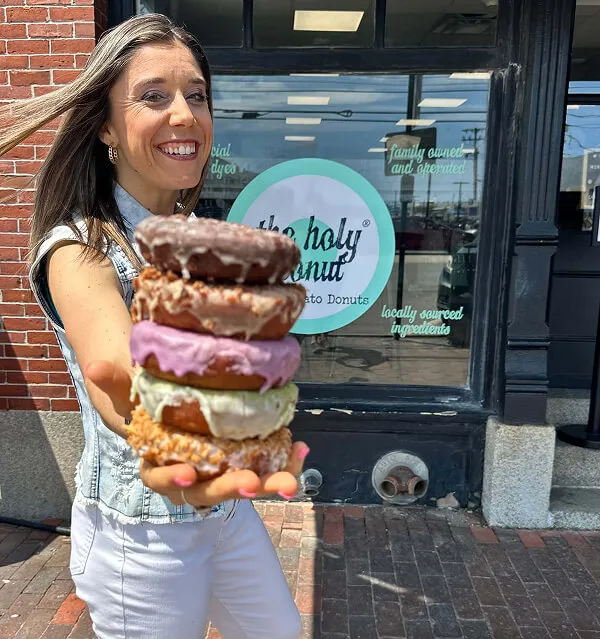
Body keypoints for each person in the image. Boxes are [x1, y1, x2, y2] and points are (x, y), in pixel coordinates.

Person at [0, 13, 308, 639]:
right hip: (140, 536)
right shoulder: (78, 246)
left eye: (197, 95)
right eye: (153, 96)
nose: (184, 114)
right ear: (106, 126)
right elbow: (113, 376)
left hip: (224, 516)